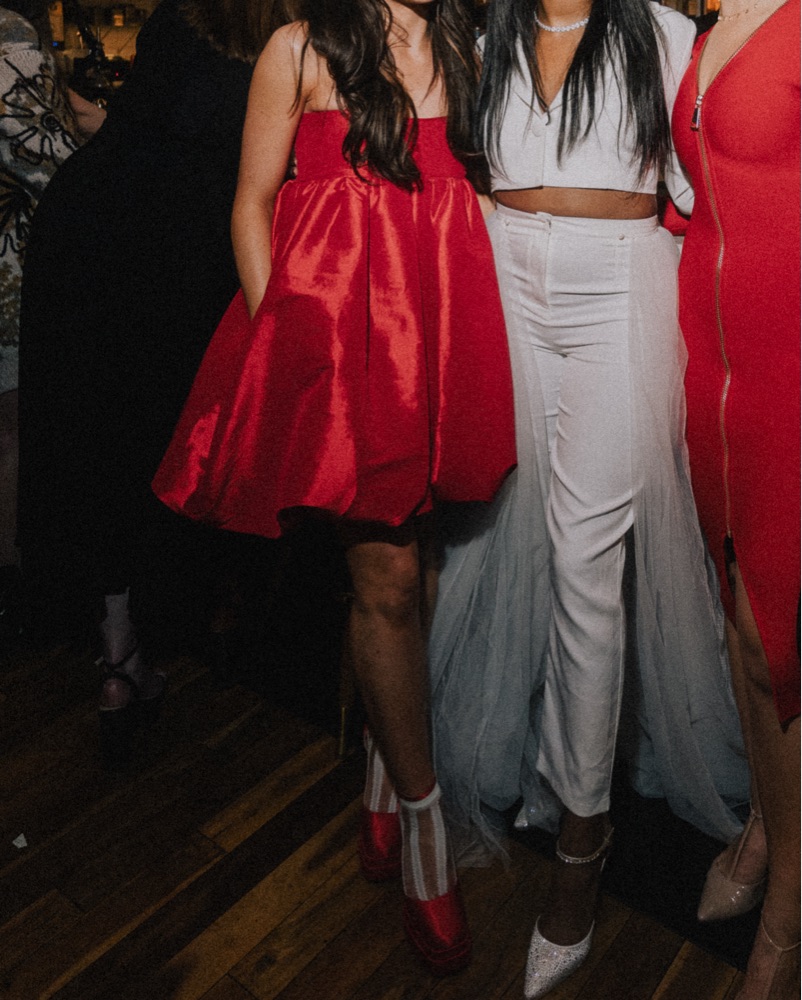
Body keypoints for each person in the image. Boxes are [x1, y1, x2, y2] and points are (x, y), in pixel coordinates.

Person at [153, 0, 516, 973]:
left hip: (430, 348)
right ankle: (424, 820)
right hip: (339, 366)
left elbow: (467, 201)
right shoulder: (299, 48)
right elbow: (251, 204)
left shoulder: (462, 49)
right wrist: (287, 356)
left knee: (417, 570)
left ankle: (382, 776)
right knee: (387, 580)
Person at [427, 0, 750, 996]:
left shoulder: (666, 34)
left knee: (585, 565)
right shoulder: (486, 39)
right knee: (504, 530)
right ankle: (542, 755)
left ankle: (582, 838)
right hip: (504, 280)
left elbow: (713, 187)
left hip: (619, 293)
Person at [18, 0, 289, 764]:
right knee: (185, 443)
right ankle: (218, 618)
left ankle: (117, 660)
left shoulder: (180, 19)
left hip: (83, 224)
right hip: (177, 248)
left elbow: (137, 121)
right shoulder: (288, 40)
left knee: (100, 446)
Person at [673, 2, 800, 996]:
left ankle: (790, 914)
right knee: (736, 618)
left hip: (788, 368)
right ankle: (768, 820)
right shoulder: (711, 16)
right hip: (709, 367)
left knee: (777, 641)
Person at [0, 0, 88, 639]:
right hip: (11, 266)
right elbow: (52, 157)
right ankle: (15, 595)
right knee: (13, 430)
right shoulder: (8, 34)